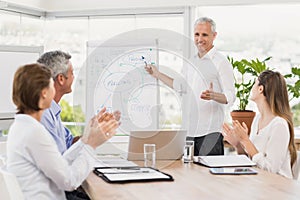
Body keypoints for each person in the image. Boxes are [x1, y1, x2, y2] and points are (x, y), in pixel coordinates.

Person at [7, 63, 119, 199]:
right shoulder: (34, 133)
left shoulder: (22, 127)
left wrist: (86, 139)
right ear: (44, 93)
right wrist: (91, 146)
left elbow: (60, 163)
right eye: (51, 85)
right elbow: (69, 181)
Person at [145, 17, 235, 156]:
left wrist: (213, 95)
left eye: (204, 34)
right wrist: (157, 74)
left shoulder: (221, 62)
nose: (200, 39)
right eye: (197, 34)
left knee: (209, 177)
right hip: (189, 134)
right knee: (190, 176)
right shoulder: (190, 62)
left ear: (214, 35)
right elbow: (179, 85)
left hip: (210, 134)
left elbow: (231, 96)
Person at [37, 50, 121, 155]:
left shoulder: (52, 110)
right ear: (61, 79)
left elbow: (69, 143)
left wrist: (93, 131)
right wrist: (92, 140)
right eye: (72, 73)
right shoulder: (43, 114)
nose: (74, 77)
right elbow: (58, 161)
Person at [222, 70, 297, 179]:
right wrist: (238, 144)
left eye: (254, 83)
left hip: (277, 189)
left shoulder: (279, 125)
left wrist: (245, 141)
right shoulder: (257, 119)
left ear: (261, 89)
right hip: (258, 183)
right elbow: (252, 161)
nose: (252, 87)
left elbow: (271, 171)